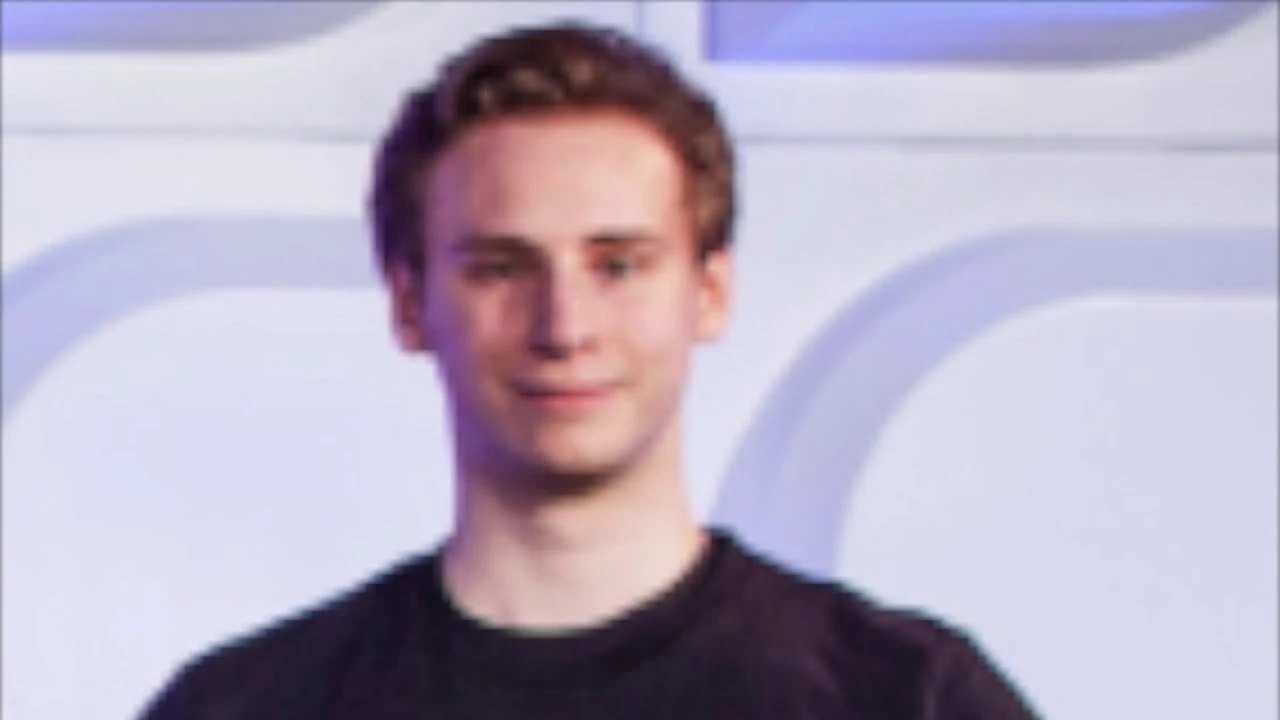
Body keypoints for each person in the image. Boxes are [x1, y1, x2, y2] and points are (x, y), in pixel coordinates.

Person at [139, 22, 1040, 719]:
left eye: (619, 265)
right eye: (502, 268)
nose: (565, 327)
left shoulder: (907, 697)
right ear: (410, 304)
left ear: (710, 292)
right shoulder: (247, 706)